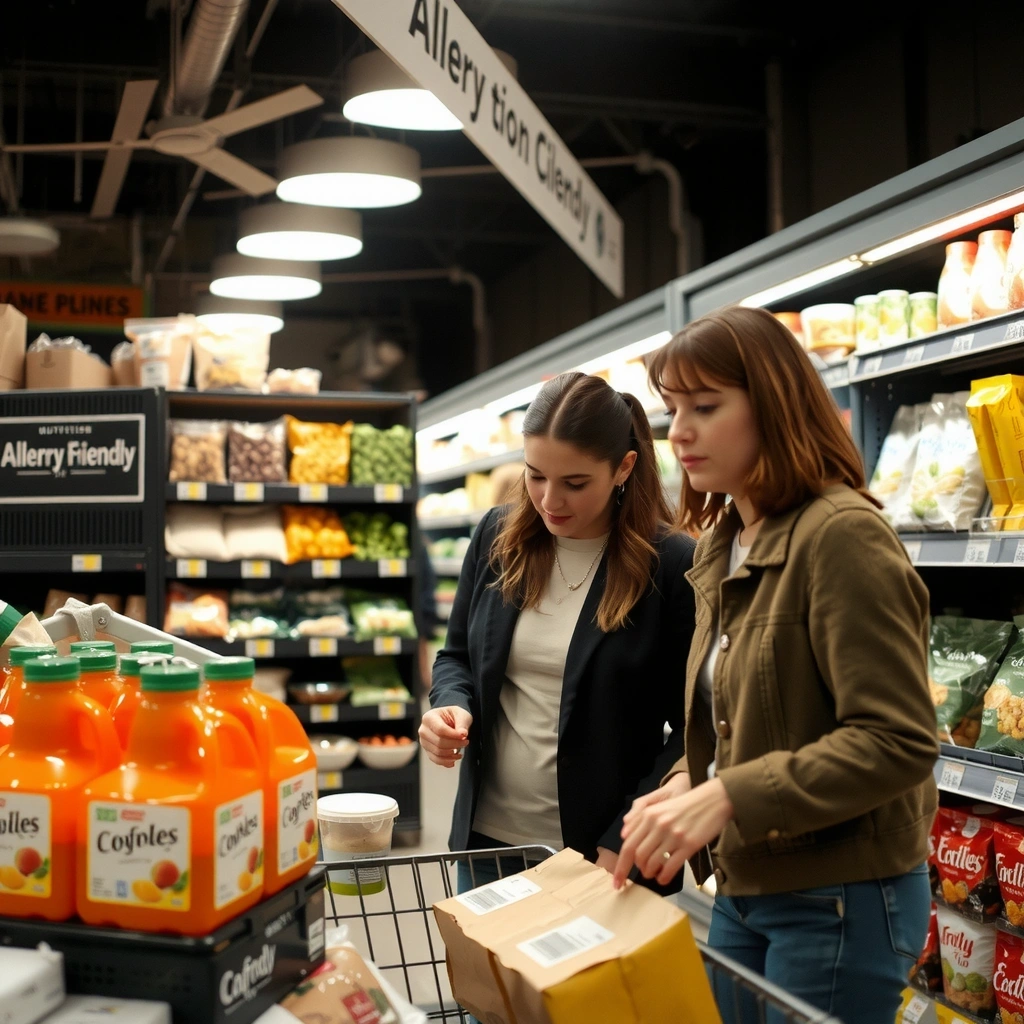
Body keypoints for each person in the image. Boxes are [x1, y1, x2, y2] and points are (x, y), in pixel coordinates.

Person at [611, 306, 938, 1024]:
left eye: (705, 406)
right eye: (672, 409)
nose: (680, 432)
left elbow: (899, 740)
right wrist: (682, 784)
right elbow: (743, 715)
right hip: (746, 882)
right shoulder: (720, 543)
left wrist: (727, 795)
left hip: (842, 895)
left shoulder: (841, 535)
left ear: (774, 403)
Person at [420, 370, 696, 898]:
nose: (549, 500)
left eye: (574, 483)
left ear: (624, 468)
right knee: (486, 984)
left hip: (601, 856)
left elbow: (693, 728)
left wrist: (627, 836)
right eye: (535, 475)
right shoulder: (498, 538)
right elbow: (455, 656)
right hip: (487, 847)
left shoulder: (669, 564)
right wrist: (449, 706)